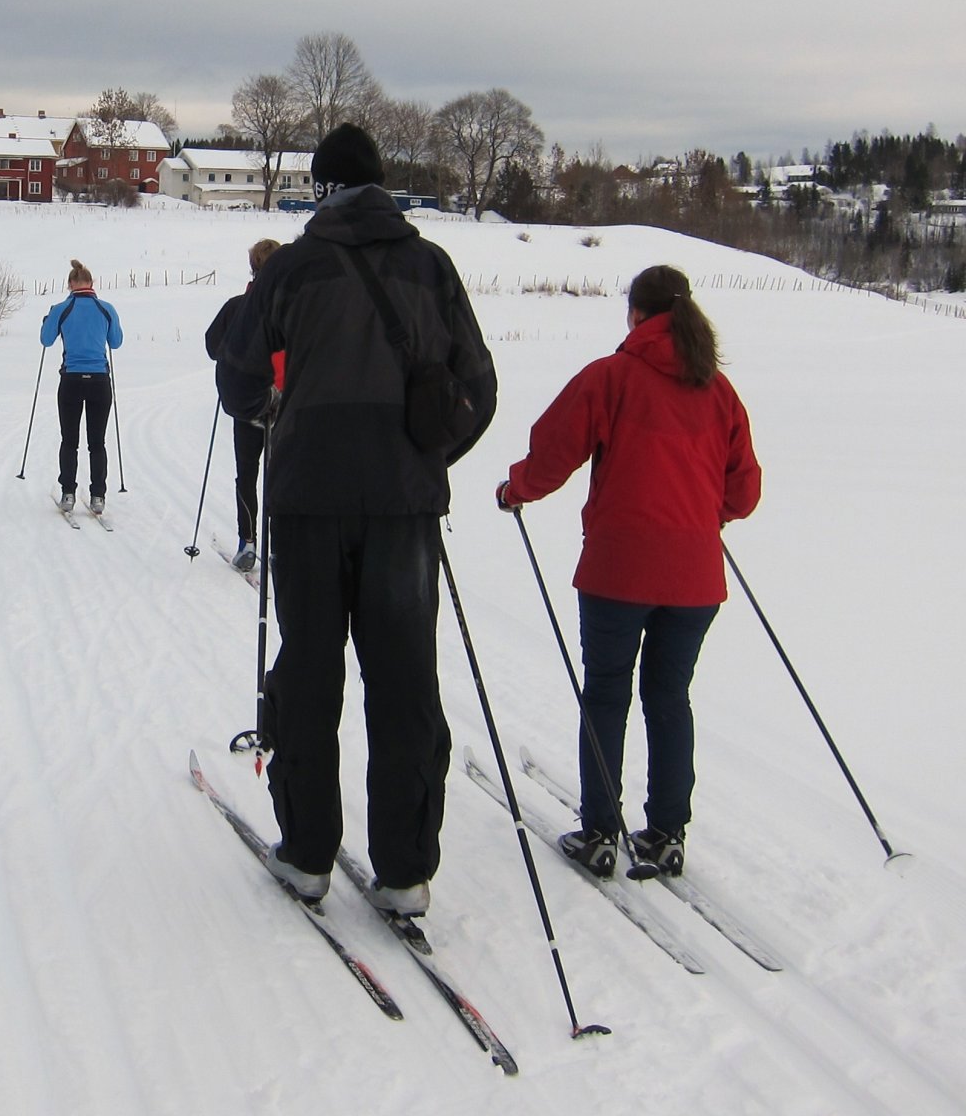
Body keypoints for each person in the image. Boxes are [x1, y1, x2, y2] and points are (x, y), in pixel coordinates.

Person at [217, 123, 497, 915]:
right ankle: (405, 872)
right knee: (404, 679)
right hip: (404, 511)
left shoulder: (296, 267)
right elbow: (479, 387)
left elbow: (237, 378)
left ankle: (308, 856)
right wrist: (426, 459)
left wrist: (276, 410)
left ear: (325, 187)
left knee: (309, 671)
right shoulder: (430, 265)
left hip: (308, 500)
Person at [497, 264, 761, 878]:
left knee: (608, 694)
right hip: (695, 578)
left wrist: (515, 490)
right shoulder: (717, 391)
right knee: (669, 696)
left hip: (619, 572)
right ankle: (668, 833)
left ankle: (599, 833)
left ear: (637, 316)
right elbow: (743, 493)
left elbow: (553, 451)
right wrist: (700, 515)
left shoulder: (611, 377)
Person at [204, 238, 284, 571]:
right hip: (288, 410)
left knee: (247, 475)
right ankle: (282, 545)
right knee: (283, 477)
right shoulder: (293, 309)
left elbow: (212, 346)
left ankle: (247, 542)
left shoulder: (237, 306)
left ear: (252, 267)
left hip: (249, 407)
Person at [40, 260, 123, 513]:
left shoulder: (61, 308)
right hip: (99, 381)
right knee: (97, 442)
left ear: (70, 284)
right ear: (92, 283)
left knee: (70, 440)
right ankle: (98, 496)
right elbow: (116, 342)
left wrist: (48, 320)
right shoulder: (106, 308)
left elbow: (46, 340)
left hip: (71, 381)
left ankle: (68, 493)